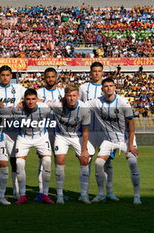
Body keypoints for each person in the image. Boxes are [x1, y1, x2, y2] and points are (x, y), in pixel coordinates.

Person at [87, 78, 141, 204]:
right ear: (102, 89)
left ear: (115, 87)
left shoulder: (123, 102)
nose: (109, 88)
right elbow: (80, 104)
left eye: (111, 85)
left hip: (125, 139)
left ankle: (137, 196)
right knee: (99, 164)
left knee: (133, 163)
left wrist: (131, 144)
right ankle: (101, 193)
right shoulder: (97, 102)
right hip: (109, 140)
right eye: (106, 86)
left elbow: (131, 123)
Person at [45, 86, 94, 204]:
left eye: (74, 96)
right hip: (61, 136)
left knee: (84, 160)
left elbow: (86, 130)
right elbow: (40, 101)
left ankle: (83, 195)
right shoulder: (57, 105)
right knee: (60, 161)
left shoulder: (84, 109)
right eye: (69, 96)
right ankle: (60, 195)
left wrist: (84, 150)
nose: (72, 98)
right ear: (65, 97)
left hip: (78, 136)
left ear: (78, 96)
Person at [0, 65, 26, 201]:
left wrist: (23, 102)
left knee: (14, 161)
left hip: (14, 129)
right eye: (2, 75)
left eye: (8, 75)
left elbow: (32, 97)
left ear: (11, 76)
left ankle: (16, 192)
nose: (5, 77)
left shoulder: (19, 88)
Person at [79, 62, 119, 201]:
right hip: (88, 131)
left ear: (102, 73)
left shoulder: (108, 88)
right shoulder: (83, 88)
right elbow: (78, 106)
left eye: (99, 71)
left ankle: (109, 192)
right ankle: (84, 193)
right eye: (94, 71)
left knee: (107, 163)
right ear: (90, 73)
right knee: (86, 161)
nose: (96, 73)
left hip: (105, 133)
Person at [13, 89, 54, 205]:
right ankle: (22, 195)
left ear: (36, 99)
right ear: (24, 100)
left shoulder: (44, 107)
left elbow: (55, 103)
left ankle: (45, 195)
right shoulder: (17, 109)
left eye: (33, 99)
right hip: (24, 137)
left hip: (41, 137)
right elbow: (9, 109)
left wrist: (43, 100)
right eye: (28, 99)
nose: (30, 102)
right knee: (19, 164)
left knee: (47, 162)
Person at [35, 67, 64, 201]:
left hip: (59, 131)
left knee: (59, 162)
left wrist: (46, 103)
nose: (50, 79)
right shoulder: (39, 92)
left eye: (53, 76)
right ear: (44, 78)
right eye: (48, 77)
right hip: (43, 131)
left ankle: (59, 193)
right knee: (43, 161)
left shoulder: (62, 92)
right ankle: (42, 192)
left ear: (56, 77)